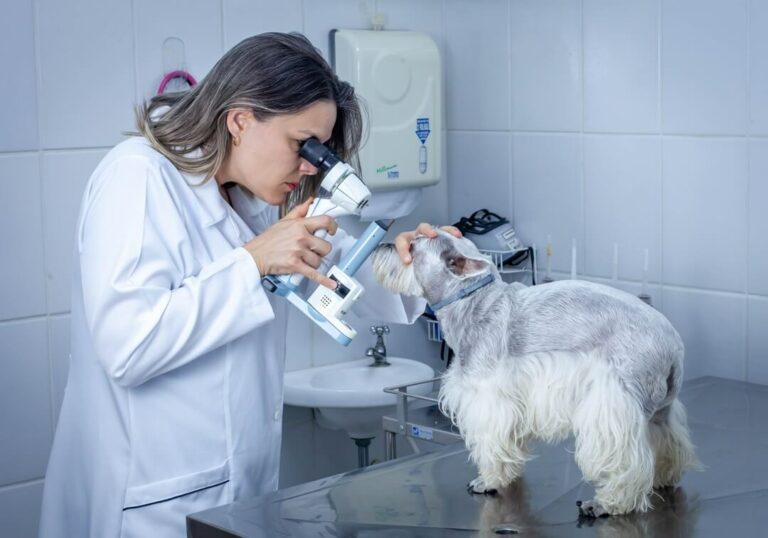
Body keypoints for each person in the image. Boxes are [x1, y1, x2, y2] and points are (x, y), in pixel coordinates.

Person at [38, 32, 459, 538]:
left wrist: (415, 266)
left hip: (236, 496)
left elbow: (337, 271)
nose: (310, 166)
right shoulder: (138, 179)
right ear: (239, 120)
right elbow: (127, 344)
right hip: (150, 503)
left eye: (319, 152)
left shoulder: (250, 200)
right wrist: (251, 263)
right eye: (301, 144)